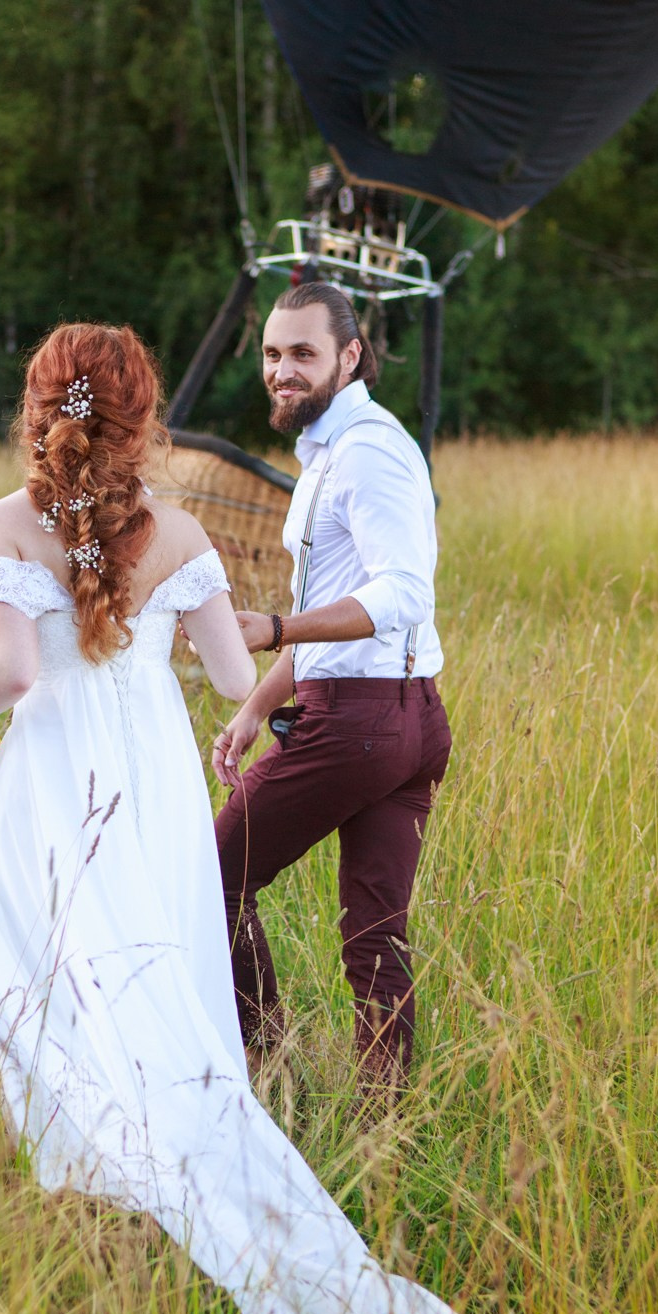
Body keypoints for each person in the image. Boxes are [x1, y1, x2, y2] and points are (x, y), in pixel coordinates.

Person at [0, 321, 532, 1314]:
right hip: (153, 807)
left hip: (55, 792)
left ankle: (121, 1179)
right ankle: (194, 1150)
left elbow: (11, 671)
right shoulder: (183, 532)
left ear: (39, 405)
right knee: (166, 991)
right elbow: (240, 681)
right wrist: (345, 714)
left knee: (72, 980)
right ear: (145, 418)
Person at [213, 282, 448, 1109]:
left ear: (350, 356)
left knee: (211, 881)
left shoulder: (370, 452)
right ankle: (386, 1124)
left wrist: (274, 626)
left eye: (302, 354)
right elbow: (340, 601)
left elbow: (401, 595)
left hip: (362, 724)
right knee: (376, 931)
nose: (282, 370)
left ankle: (270, 1077)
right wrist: (252, 707)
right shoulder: (326, 453)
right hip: (407, 716)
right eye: (273, 355)